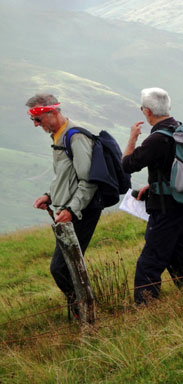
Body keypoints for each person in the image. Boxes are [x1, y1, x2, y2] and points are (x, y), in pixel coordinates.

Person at [122, 88, 183, 304]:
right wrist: (153, 184)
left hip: (165, 207)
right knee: (177, 255)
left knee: (149, 262)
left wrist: (132, 138)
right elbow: (173, 168)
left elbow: (127, 164)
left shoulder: (156, 139)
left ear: (147, 111)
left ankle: (145, 308)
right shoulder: (181, 130)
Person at [26, 94, 102, 313]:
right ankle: (82, 311)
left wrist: (71, 209)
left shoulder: (75, 137)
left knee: (60, 267)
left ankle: (84, 309)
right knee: (68, 266)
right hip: (69, 210)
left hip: (81, 211)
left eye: (38, 120)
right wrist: (49, 196)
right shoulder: (59, 136)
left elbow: (88, 181)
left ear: (52, 112)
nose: (35, 125)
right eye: (32, 120)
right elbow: (66, 176)